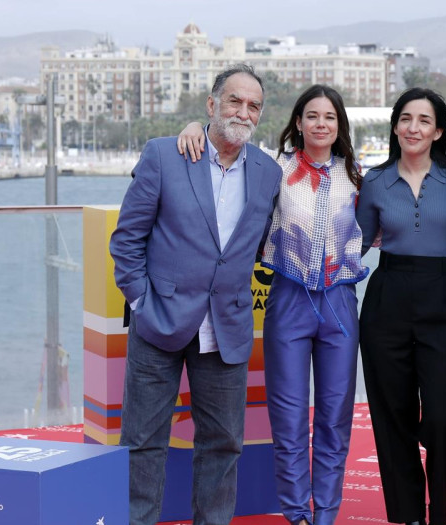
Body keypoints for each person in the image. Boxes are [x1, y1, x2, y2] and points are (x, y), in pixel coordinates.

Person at [179, 84, 366, 525]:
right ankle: (297, 512)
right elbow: (223, 155)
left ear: (339, 125)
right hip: (288, 299)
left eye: (330, 117)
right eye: (312, 116)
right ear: (297, 123)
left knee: (336, 417)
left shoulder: (361, 175)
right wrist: (192, 127)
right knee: (288, 416)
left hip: (340, 303)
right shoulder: (271, 169)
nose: (321, 124)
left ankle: (327, 514)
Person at [110, 64, 282, 525]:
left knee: (223, 445)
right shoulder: (166, 155)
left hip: (226, 329)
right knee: (143, 443)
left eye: (253, 106)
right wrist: (141, 301)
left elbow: (263, 240)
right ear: (211, 106)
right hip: (158, 323)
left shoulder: (268, 172)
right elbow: (127, 240)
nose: (243, 113)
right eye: (234, 101)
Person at [356, 88, 446, 525]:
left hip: (442, 293)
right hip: (386, 298)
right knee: (393, 415)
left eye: (424, 120)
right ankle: (410, 516)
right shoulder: (375, 180)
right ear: (395, 126)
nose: (413, 127)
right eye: (405, 118)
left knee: (441, 417)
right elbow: (359, 244)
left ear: (439, 130)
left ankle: (440, 512)